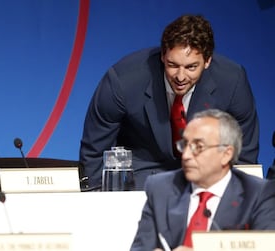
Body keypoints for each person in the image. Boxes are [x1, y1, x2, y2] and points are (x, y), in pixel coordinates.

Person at [79, 14, 259, 191]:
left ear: (207, 61)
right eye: (173, 65)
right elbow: (93, 150)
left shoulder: (232, 81)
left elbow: (244, 152)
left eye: (191, 67)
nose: (180, 76)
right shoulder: (123, 81)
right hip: (140, 176)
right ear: (163, 56)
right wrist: (94, 201)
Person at [130, 109, 275, 251]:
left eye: (198, 147)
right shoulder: (161, 188)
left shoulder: (258, 194)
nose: (186, 155)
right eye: (184, 145)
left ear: (226, 154)